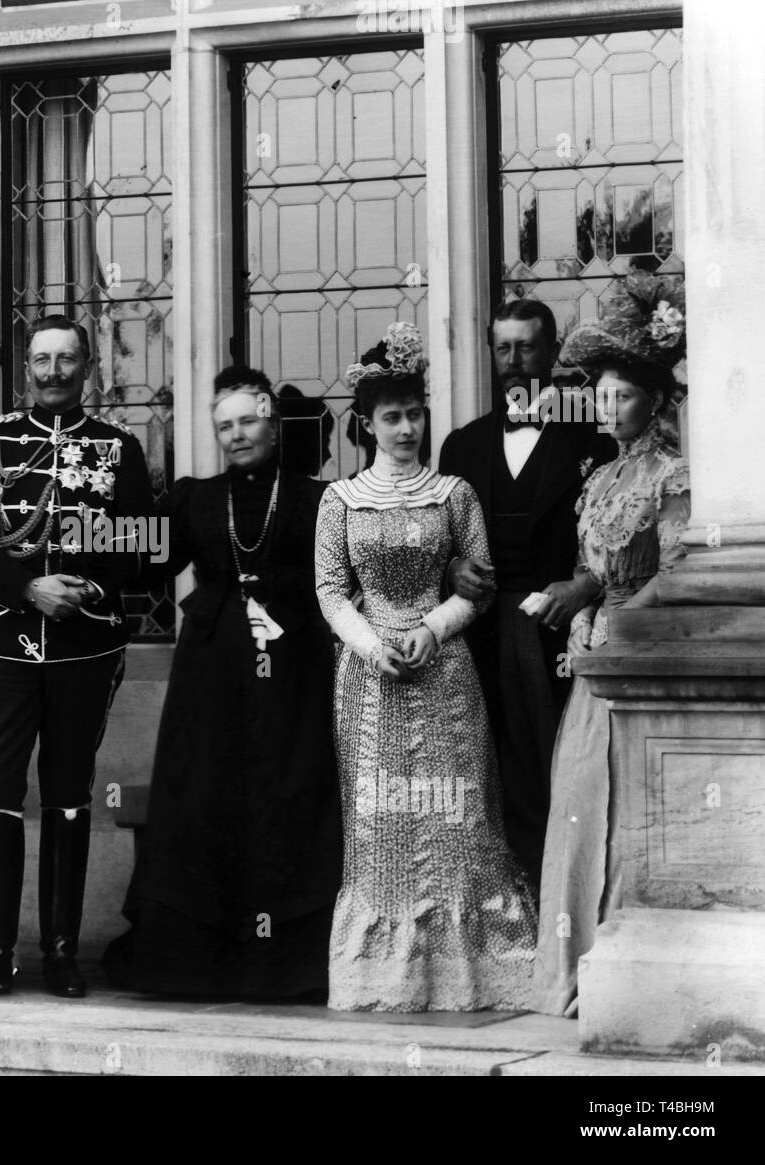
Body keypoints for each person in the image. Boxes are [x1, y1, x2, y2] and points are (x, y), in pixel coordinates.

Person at [315, 322, 537, 1011]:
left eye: (415, 414)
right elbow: (328, 589)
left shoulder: (455, 493)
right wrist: (373, 641)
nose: (406, 427)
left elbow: (482, 584)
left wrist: (434, 630)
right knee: (381, 821)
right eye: (392, 416)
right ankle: (383, 975)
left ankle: (470, 971)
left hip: (444, 673)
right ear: (367, 424)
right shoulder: (340, 501)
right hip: (371, 674)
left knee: (458, 816)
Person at [0, 314, 157, 1000]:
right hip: (3, 641)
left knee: (68, 793)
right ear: (25, 367)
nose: (54, 371)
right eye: (42, 359)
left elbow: (142, 540)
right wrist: (25, 585)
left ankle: (60, 951)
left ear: (88, 366)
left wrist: (87, 586)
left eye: (67, 359)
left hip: (84, 644)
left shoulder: (119, 447)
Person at [107, 368, 340, 999]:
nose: (238, 435)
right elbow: (137, 557)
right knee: (207, 794)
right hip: (210, 678)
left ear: (273, 423)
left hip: (293, 676)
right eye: (225, 426)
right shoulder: (193, 499)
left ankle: (286, 965)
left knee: (286, 792)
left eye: (248, 421)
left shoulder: (321, 499)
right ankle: (198, 962)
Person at [532, 280, 689, 1016]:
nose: (605, 406)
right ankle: (573, 966)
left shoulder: (673, 477)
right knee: (579, 801)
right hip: (592, 666)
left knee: (629, 808)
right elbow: (596, 565)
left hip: (641, 658)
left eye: (622, 395)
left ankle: (629, 967)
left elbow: (680, 572)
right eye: (600, 394)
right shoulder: (598, 477)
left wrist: (608, 607)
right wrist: (575, 593)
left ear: (654, 402)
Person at [438, 299, 617, 891]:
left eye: (528, 347)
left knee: (565, 773)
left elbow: (627, 536)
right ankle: (505, 910)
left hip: (562, 633)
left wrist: (586, 584)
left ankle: (566, 908)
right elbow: (438, 543)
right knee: (492, 772)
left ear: (552, 349)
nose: (514, 361)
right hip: (482, 637)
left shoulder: (594, 434)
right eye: (503, 348)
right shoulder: (461, 448)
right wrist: (454, 567)